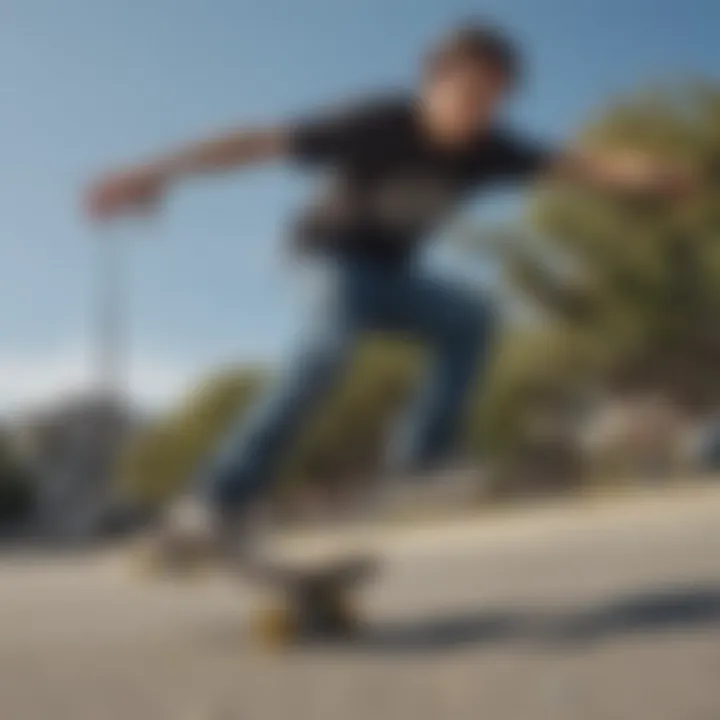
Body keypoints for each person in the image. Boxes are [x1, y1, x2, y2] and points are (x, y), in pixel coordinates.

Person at [86, 22, 693, 558]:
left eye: (494, 98)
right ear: (434, 82)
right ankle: (216, 500)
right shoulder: (378, 121)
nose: (478, 110)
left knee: (473, 317)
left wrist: (668, 177)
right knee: (330, 343)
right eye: (468, 92)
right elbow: (258, 141)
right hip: (323, 257)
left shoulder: (496, 149)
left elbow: (587, 167)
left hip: (393, 278)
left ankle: (423, 462)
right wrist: (156, 170)